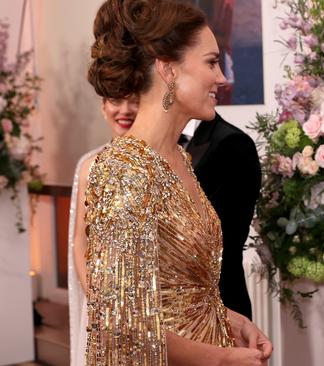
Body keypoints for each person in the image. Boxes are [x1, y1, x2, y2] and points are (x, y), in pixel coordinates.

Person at [84, 1, 271, 365]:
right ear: (168, 70)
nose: (221, 77)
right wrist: (218, 359)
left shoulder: (179, 159)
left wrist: (233, 321)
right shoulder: (125, 169)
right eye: (211, 62)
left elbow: (180, 292)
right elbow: (120, 325)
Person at [67, 95, 138, 366]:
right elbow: (79, 241)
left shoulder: (166, 162)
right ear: (102, 105)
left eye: (134, 101)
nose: (124, 110)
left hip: (152, 305)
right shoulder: (90, 165)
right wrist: (98, 301)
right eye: (115, 101)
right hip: (100, 302)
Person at [184, 113, 261, 320]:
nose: (220, 79)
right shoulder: (149, 144)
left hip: (218, 309)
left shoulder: (233, 144)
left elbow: (224, 243)